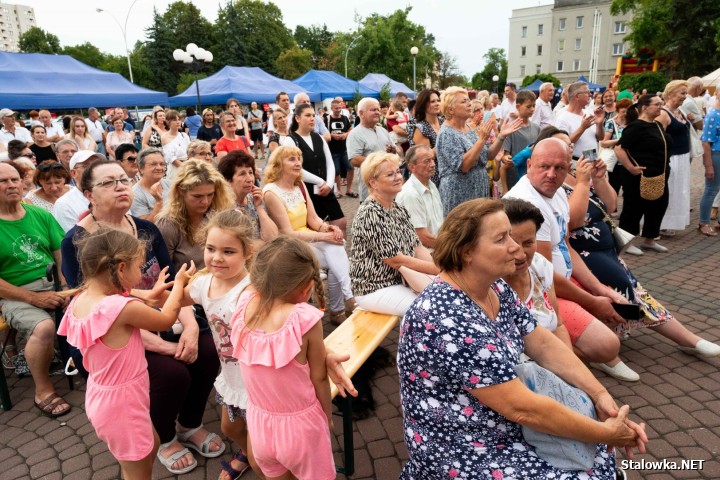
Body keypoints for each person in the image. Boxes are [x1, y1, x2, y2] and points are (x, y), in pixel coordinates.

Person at [397, 198, 647, 480]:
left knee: (593, 451)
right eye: (502, 239)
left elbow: (541, 342)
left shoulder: (494, 287)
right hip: (461, 445)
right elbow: (523, 410)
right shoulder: (447, 319)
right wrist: (605, 433)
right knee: (586, 461)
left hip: (499, 422)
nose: (516, 248)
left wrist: (601, 395)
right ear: (467, 252)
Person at [61, 158, 225, 475]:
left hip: (157, 312)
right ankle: (163, 438)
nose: (121, 185)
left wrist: (190, 328)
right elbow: (101, 308)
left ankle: (189, 424)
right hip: (116, 339)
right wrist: (165, 345)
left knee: (206, 350)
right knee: (173, 373)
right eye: (108, 182)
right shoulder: (77, 242)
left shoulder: (146, 228)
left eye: (124, 179)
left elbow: (166, 282)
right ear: (88, 194)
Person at [58, 229, 193, 479]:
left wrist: (145, 295)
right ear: (121, 268)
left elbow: (119, 300)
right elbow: (166, 319)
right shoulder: (122, 307)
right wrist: (180, 284)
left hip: (106, 398)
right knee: (139, 471)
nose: (141, 273)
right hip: (124, 404)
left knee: (148, 448)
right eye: (139, 267)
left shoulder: (82, 299)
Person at [506, 138, 640, 381]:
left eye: (559, 168)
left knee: (618, 300)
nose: (551, 174)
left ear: (569, 168)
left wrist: (598, 288)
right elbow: (542, 276)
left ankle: (585, 356)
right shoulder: (526, 205)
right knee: (608, 344)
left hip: (561, 282)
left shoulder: (555, 193)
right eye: (544, 166)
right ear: (528, 165)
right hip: (545, 289)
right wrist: (592, 301)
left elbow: (566, 245)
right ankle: (562, 358)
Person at [561, 160, 720, 359]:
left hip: (606, 251)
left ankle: (688, 339)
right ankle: (606, 345)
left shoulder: (578, 175)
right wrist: (583, 184)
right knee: (625, 291)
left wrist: (599, 179)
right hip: (585, 255)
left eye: (570, 146)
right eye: (565, 147)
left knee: (636, 291)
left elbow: (610, 206)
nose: (570, 153)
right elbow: (572, 221)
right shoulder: (556, 183)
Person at [230, 236, 335, 480]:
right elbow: (319, 377)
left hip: (260, 426)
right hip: (302, 428)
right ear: (306, 287)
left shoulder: (244, 302)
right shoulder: (302, 319)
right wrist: (326, 418)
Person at [0, 162, 72, 419]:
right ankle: (42, 390)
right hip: (14, 293)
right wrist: (34, 298)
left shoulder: (39, 214)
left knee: (95, 303)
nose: (11, 185)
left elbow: (60, 252)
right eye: (3, 181)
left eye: (15, 179)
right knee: (43, 328)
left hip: (54, 283)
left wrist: (65, 286)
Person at [263, 146, 355, 325]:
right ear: (277, 164)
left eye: (298, 158)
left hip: (308, 238)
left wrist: (328, 229)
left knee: (336, 245)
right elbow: (287, 232)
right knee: (336, 250)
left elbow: (313, 218)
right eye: (291, 159)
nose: (297, 163)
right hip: (289, 245)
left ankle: (344, 303)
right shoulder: (270, 192)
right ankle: (344, 303)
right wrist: (324, 237)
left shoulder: (299, 184)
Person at [350, 152, 439, 316]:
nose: (398, 177)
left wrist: (441, 268)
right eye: (390, 174)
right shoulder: (370, 212)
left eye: (398, 171)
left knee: (444, 297)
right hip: (374, 288)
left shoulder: (397, 208)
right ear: (373, 183)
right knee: (428, 311)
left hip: (401, 281)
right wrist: (439, 270)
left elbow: (417, 247)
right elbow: (395, 260)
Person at [436, 86, 521, 216]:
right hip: (460, 195)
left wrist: (501, 136)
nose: (469, 103)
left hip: (477, 191)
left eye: (468, 100)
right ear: (450, 109)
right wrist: (481, 139)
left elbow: (488, 154)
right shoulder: (446, 133)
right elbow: (464, 166)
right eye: (464, 101)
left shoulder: (468, 128)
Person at [502, 198, 573, 349]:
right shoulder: (484, 282)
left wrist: (570, 364)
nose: (521, 255)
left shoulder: (540, 266)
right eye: (512, 245)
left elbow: (558, 325)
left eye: (528, 243)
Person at [614, 94, 672, 253]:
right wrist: (631, 168)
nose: (661, 107)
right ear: (645, 107)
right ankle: (626, 243)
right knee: (633, 209)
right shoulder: (635, 127)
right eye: (657, 104)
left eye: (661, 104)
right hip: (638, 178)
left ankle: (649, 240)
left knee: (658, 206)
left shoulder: (657, 125)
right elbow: (619, 149)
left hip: (659, 176)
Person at [282, 102, 346, 232]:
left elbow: (329, 162)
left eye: (313, 115)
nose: (312, 118)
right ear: (298, 118)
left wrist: (328, 184)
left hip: (325, 188)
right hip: (306, 191)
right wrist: (320, 181)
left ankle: (339, 252)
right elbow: (295, 169)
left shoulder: (319, 138)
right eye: (308, 115)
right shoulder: (291, 140)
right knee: (315, 227)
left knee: (341, 222)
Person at [217, 149, 278, 243]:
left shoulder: (253, 199)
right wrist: (263, 243)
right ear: (227, 180)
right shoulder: (224, 207)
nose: (249, 179)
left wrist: (259, 207)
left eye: (250, 173)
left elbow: (273, 237)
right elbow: (239, 246)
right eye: (242, 174)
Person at [657, 80, 692, 234]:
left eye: (686, 93)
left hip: (683, 157)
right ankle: (659, 223)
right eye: (682, 93)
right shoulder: (663, 114)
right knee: (668, 190)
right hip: (671, 158)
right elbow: (657, 138)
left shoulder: (681, 111)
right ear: (670, 94)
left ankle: (671, 222)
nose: (685, 96)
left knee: (679, 191)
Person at [347, 97, 396, 201]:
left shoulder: (382, 130)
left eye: (378, 109)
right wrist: (379, 162)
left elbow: (394, 151)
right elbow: (354, 159)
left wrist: (392, 151)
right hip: (371, 189)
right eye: (373, 110)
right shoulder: (355, 134)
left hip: (389, 186)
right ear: (361, 113)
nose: (377, 112)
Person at [395, 145, 443, 249]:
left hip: (436, 247)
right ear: (412, 167)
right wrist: (451, 247)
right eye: (427, 161)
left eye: (433, 160)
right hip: (425, 253)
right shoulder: (410, 194)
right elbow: (422, 237)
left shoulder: (431, 185)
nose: (433, 164)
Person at [54, 151, 104, 231]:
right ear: (73, 173)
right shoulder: (64, 204)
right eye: (87, 166)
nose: (95, 170)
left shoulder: (113, 193)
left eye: (98, 165)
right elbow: (74, 239)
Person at [501, 89, 541, 191]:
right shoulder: (511, 128)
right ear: (518, 107)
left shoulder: (536, 128)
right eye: (528, 106)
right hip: (514, 178)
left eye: (534, 106)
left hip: (532, 177)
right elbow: (505, 154)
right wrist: (506, 157)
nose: (532, 109)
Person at [555, 82, 605, 160]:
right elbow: (563, 144)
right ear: (577, 96)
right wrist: (582, 128)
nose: (590, 94)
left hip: (593, 160)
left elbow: (600, 137)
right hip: (576, 162)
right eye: (587, 92)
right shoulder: (562, 118)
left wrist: (599, 124)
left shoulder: (589, 113)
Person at [410, 88, 444, 186]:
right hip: (432, 176)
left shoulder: (444, 121)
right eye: (432, 101)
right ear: (424, 105)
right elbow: (426, 157)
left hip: (448, 172)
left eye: (438, 100)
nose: (437, 103)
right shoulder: (421, 128)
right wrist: (444, 142)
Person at [599, 98, 633, 194]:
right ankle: (613, 209)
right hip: (616, 162)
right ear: (617, 110)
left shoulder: (632, 122)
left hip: (630, 161)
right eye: (623, 111)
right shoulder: (611, 123)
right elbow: (604, 142)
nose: (625, 114)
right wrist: (619, 140)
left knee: (629, 190)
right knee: (614, 188)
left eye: (628, 111)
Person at [326, 98, 356, 197]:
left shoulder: (344, 118)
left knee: (350, 168)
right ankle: (338, 190)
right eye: (336, 108)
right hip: (333, 149)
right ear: (332, 108)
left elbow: (350, 129)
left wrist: (346, 134)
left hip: (345, 149)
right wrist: (332, 135)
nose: (338, 110)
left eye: (339, 108)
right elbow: (323, 133)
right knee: (336, 171)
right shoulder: (327, 119)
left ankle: (349, 189)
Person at [130, 147, 171, 222]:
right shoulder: (135, 194)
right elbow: (146, 227)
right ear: (141, 168)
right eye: (153, 164)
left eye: (162, 164)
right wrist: (159, 203)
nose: (159, 168)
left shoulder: (169, 184)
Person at [699, 94, 720, 235]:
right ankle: (703, 223)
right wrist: (709, 165)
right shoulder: (713, 115)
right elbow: (706, 142)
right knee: (711, 190)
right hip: (716, 154)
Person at [162, 109, 191, 181]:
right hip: (175, 170)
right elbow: (171, 158)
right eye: (174, 120)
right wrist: (185, 167)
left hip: (188, 166)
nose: (178, 122)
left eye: (179, 119)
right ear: (168, 122)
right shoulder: (164, 137)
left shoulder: (184, 135)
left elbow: (191, 151)